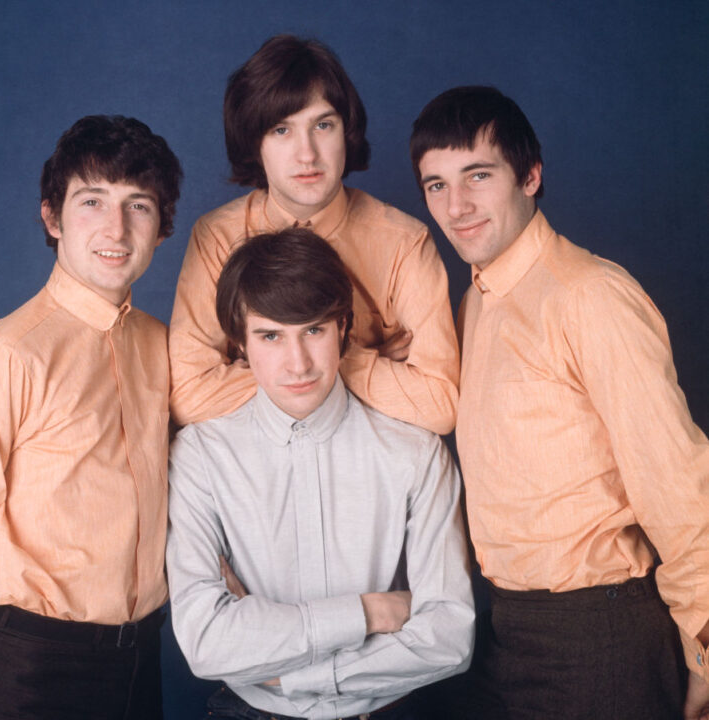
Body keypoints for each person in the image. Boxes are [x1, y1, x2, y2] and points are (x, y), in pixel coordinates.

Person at [410, 85, 709, 720]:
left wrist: (707, 644)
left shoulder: (588, 295)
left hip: (601, 633)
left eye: (478, 175)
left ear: (531, 175)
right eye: (436, 185)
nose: (456, 205)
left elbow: (680, 480)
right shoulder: (476, 300)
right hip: (508, 630)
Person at [0, 115, 182, 720]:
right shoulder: (3, 355)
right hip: (30, 670)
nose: (116, 228)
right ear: (52, 218)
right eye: (92, 201)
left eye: (139, 206)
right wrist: (24, 578)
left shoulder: (163, 346)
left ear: (162, 230)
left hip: (142, 661)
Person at [166, 228, 475, 720]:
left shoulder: (415, 453)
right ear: (239, 344)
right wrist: (371, 613)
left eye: (314, 330)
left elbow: (449, 638)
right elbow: (207, 642)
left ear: (343, 328)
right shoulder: (201, 458)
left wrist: (294, 675)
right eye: (270, 336)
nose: (298, 364)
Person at [168, 34, 459, 435]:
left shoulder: (404, 242)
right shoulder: (217, 236)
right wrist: (362, 359)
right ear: (255, 144)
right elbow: (188, 395)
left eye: (323, 125)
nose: (307, 154)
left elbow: (440, 405)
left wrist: (315, 360)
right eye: (281, 130)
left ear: (347, 132)